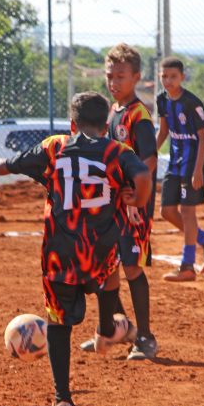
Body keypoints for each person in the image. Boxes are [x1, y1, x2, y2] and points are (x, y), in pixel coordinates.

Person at [0, 91, 150, 406]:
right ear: (106, 125)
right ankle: (106, 327)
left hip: (59, 252)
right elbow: (142, 177)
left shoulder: (55, 147)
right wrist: (136, 199)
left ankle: (62, 402)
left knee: (57, 323)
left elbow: (8, 165)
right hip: (99, 247)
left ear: (72, 124)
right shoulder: (118, 151)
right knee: (111, 271)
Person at [80, 43, 159, 360]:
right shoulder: (112, 112)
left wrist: (135, 190)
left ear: (136, 77)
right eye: (110, 76)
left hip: (134, 202)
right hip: (111, 201)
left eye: (121, 76)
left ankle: (145, 337)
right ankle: (119, 326)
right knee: (104, 264)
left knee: (131, 266)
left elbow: (150, 159)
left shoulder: (138, 115)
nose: (114, 82)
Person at [155, 56, 204, 281]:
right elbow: (164, 131)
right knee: (166, 211)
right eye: (164, 76)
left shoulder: (191, 103)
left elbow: (203, 137)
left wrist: (198, 171)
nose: (168, 80)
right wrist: (149, 154)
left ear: (182, 77)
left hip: (192, 163)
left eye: (173, 76)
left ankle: (187, 266)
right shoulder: (162, 101)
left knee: (187, 212)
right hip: (174, 163)